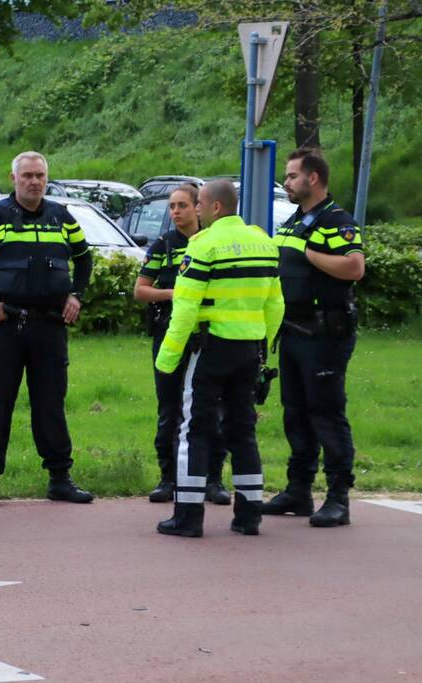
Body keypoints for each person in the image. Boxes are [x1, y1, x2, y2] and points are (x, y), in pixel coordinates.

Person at [0, 151, 94, 506]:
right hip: (5, 327)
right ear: (13, 178)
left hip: (49, 327)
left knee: (51, 406)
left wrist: (77, 295)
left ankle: (60, 478)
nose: (34, 182)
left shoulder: (62, 217)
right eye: (27, 176)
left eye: (40, 176)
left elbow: (84, 259)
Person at [154, 179, 284, 538]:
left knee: (193, 429)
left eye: (199, 203)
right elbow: (276, 303)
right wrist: (262, 344)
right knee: (243, 429)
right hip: (249, 350)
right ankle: (249, 515)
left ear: (215, 207)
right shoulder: (264, 244)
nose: (195, 209)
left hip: (210, 349)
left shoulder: (203, 245)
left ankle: (188, 516)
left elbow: (185, 309)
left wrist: (167, 359)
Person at [262, 147, 365, 527]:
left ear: (313, 178)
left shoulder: (336, 221)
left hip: (324, 334)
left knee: (326, 412)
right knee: (295, 412)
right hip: (293, 331)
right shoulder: (294, 220)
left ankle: (338, 498)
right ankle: (298, 490)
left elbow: (354, 266)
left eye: (292, 176)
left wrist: (310, 254)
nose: (287, 182)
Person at [133, 184, 230, 506]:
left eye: (182, 205)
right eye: (172, 206)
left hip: (209, 336)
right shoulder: (164, 244)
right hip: (171, 334)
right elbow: (141, 289)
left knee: (211, 407)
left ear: (198, 208)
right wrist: (174, 294)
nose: (175, 212)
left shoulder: (213, 242)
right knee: (170, 407)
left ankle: (213, 479)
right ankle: (168, 478)